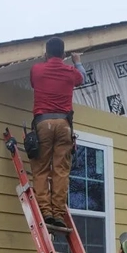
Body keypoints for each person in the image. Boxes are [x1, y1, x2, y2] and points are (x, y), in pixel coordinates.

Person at [29, 37, 86, 228]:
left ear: (46, 54)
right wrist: (77, 60)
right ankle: (59, 213)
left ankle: (46, 211)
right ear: (63, 55)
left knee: (41, 168)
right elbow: (82, 77)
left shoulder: (37, 69)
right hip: (64, 124)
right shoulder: (70, 71)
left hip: (43, 123)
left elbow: (33, 82)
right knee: (61, 170)